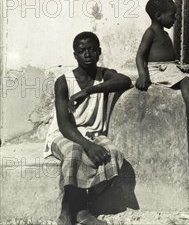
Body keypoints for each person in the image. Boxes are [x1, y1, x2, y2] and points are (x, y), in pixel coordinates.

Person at [44, 31, 132, 225]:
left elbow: (125, 81)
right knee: (74, 152)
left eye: (92, 49)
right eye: (82, 50)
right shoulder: (63, 82)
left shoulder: (104, 75)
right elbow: (64, 125)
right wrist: (87, 145)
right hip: (64, 134)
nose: (87, 54)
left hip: (93, 133)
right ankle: (67, 211)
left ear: (99, 52)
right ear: (75, 54)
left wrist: (88, 91)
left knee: (112, 153)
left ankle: (83, 210)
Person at [135, 0, 189, 129]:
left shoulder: (164, 34)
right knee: (184, 81)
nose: (175, 19)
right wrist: (142, 75)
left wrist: (181, 67)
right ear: (159, 15)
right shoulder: (150, 32)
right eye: (172, 16)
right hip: (158, 70)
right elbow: (140, 55)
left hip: (169, 68)